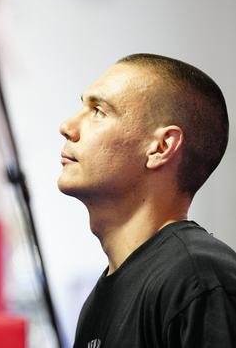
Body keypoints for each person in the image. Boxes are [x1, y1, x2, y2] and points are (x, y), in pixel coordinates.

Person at [58, 53, 236, 347]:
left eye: (99, 111)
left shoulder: (198, 281)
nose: (67, 126)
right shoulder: (98, 302)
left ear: (161, 147)